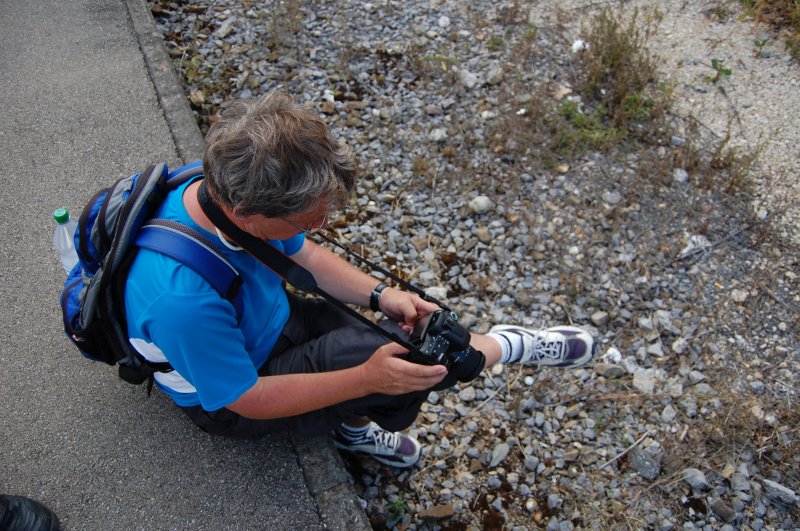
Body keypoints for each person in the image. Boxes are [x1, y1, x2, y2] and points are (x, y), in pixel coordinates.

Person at [125, 90, 595, 468]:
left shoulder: (215, 191)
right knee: (402, 365)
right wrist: (364, 380)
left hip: (271, 322)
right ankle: (512, 345)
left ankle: (353, 420)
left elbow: (301, 255)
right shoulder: (180, 300)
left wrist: (380, 294)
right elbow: (245, 398)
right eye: (307, 221)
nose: (318, 230)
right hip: (236, 394)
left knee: (397, 347)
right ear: (247, 215)